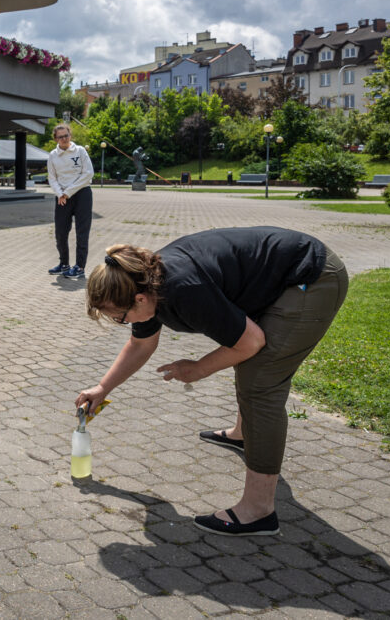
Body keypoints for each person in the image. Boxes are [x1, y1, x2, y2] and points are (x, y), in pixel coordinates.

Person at [76, 227, 348, 536]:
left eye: (120, 317)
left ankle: (258, 511)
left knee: (259, 384)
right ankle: (243, 434)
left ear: (138, 299)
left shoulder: (182, 289)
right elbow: (141, 345)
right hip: (280, 275)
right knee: (248, 365)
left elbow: (250, 342)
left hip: (311, 277)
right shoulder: (144, 282)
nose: (121, 323)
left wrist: (198, 368)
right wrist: (103, 387)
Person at [47, 123, 94, 279]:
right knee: (60, 232)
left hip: (82, 194)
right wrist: (61, 193)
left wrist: (67, 192)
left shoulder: (80, 151)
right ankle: (64, 264)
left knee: (82, 232)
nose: (64, 139)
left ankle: (80, 267)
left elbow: (88, 173)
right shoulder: (52, 155)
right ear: (56, 138)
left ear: (70, 135)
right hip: (62, 198)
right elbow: (52, 178)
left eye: (66, 135)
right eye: (60, 137)